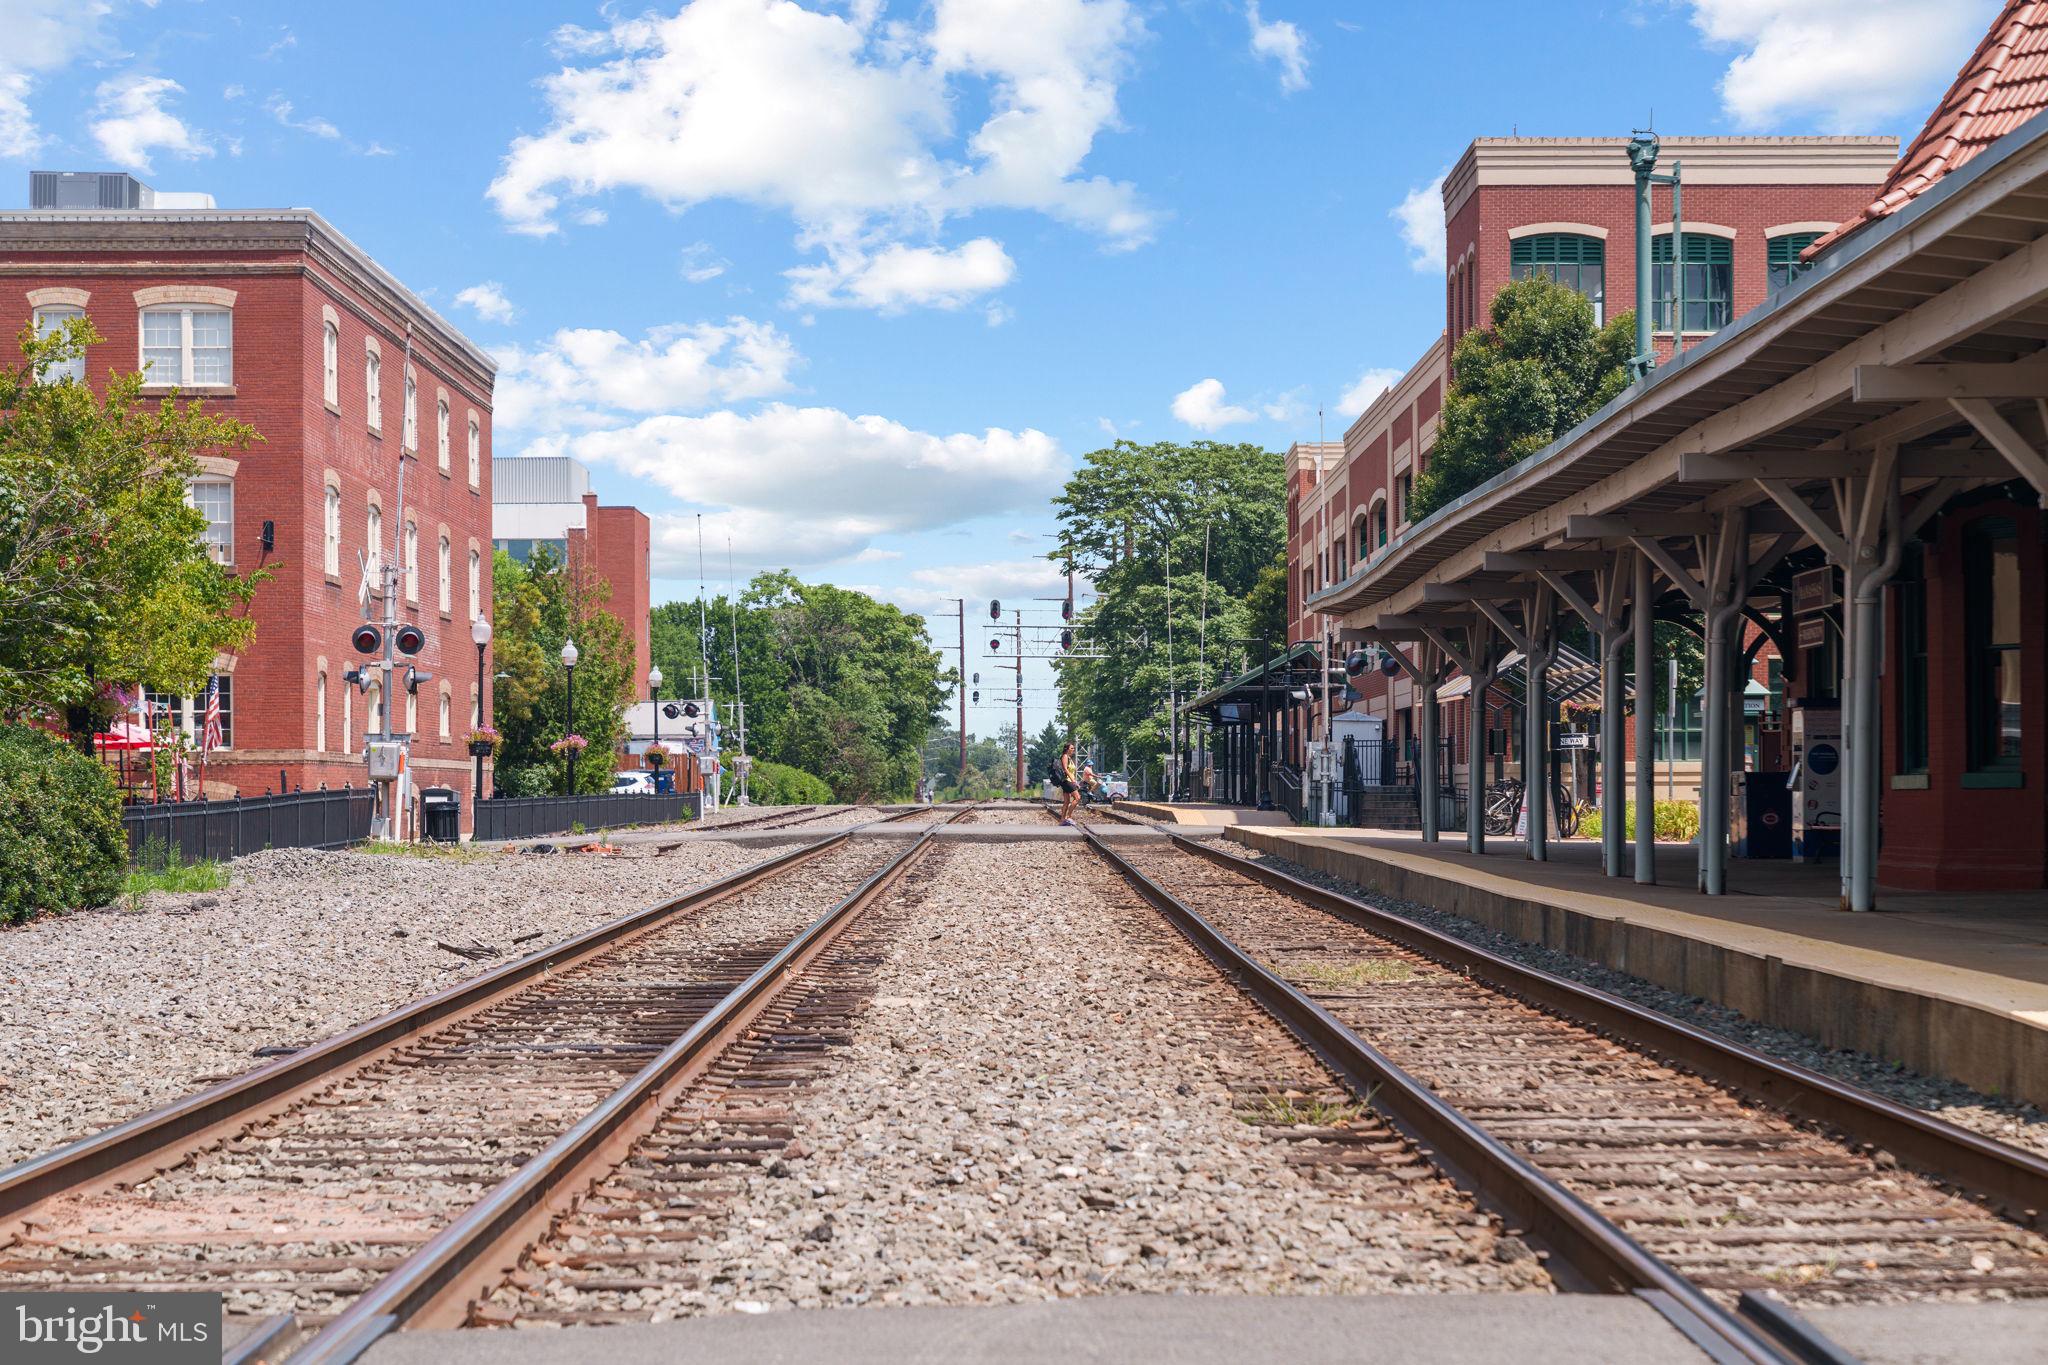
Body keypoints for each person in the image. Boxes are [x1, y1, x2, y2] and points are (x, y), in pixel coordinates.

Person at [1054, 740, 1081, 825]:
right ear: (1067, 749)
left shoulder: (1069, 758)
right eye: (1072, 748)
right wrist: (1073, 781)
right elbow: (1065, 769)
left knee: (1066, 801)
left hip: (1067, 781)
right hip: (1067, 781)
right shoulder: (1065, 756)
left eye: (1073, 748)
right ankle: (1069, 817)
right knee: (1077, 798)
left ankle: (1062, 820)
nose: (1073, 749)